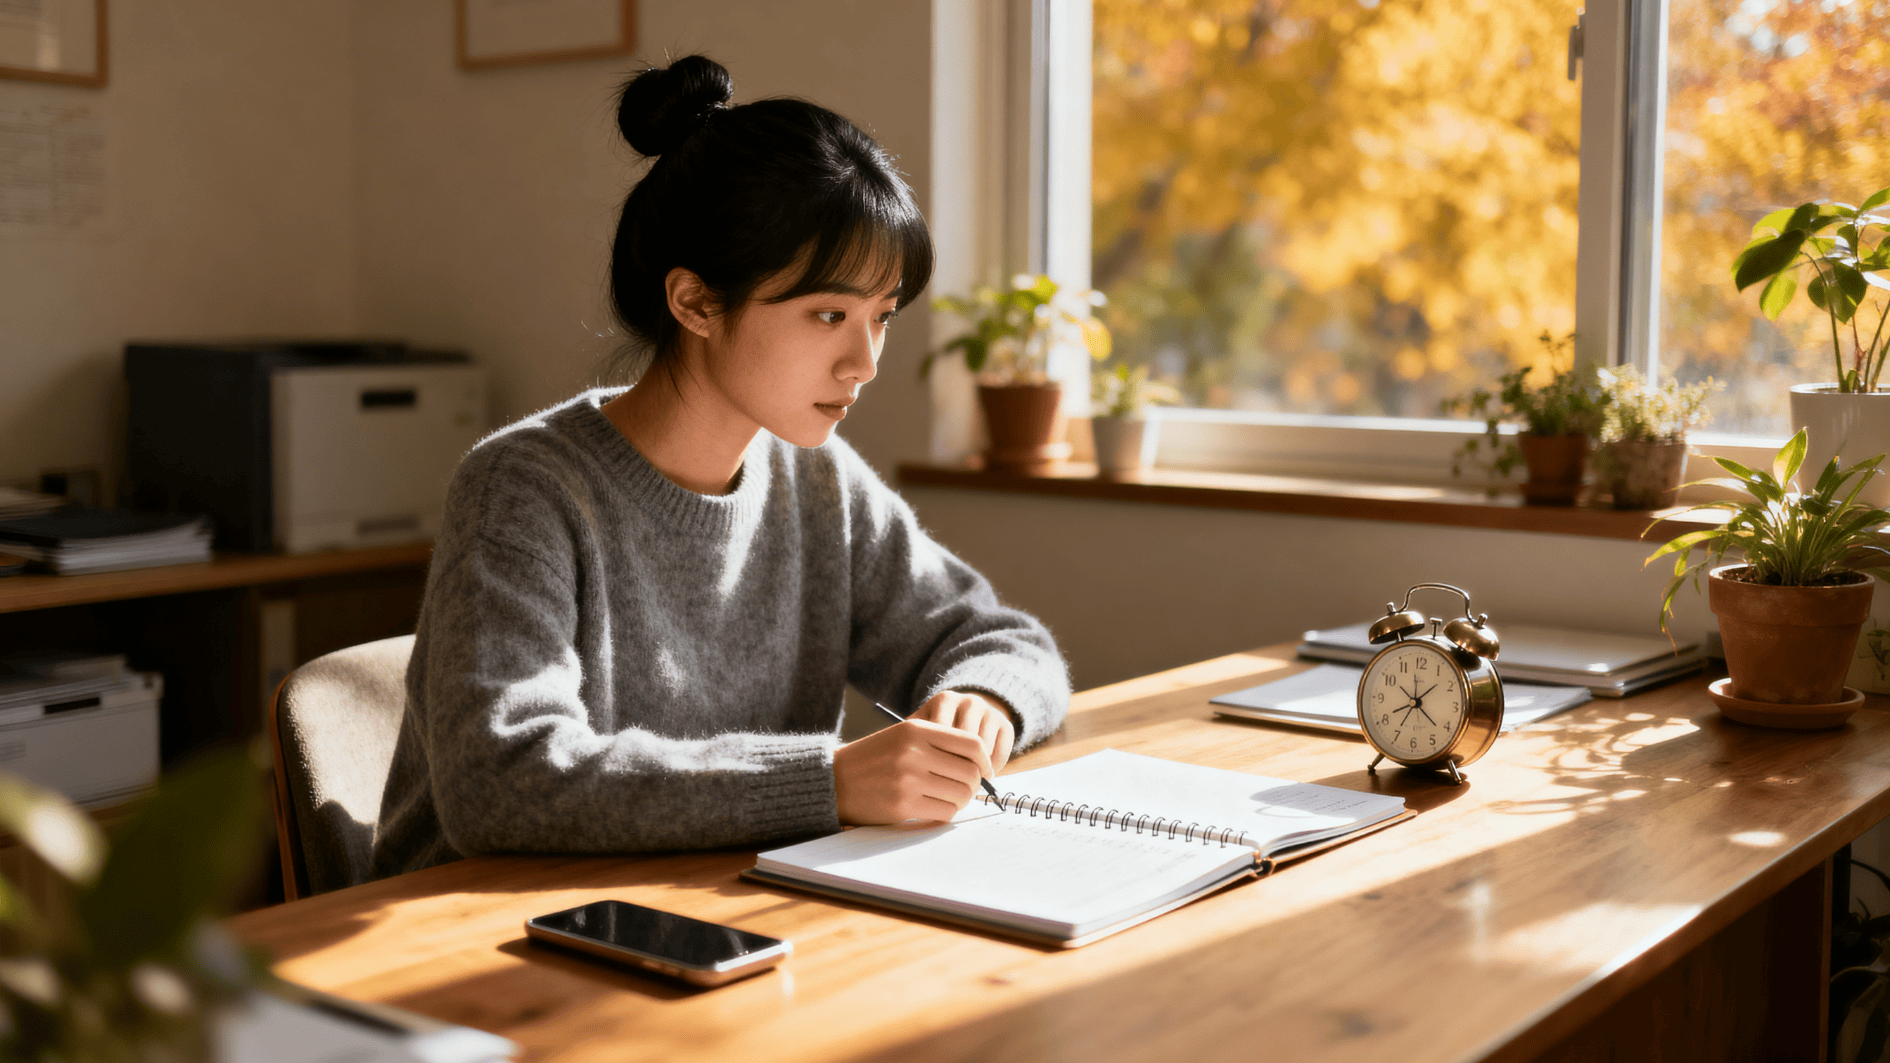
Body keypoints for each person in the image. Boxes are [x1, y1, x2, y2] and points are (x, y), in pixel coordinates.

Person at [370, 55, 1070, 878]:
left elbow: (1005, 641)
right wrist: (827, 783)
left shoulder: (820, 484)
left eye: (882, 316)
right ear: (695, 301)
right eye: (829, 313)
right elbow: (500, 781)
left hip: (701, 909)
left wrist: (982, 701)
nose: (865, 361)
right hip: (470, 937)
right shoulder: (523, 488)